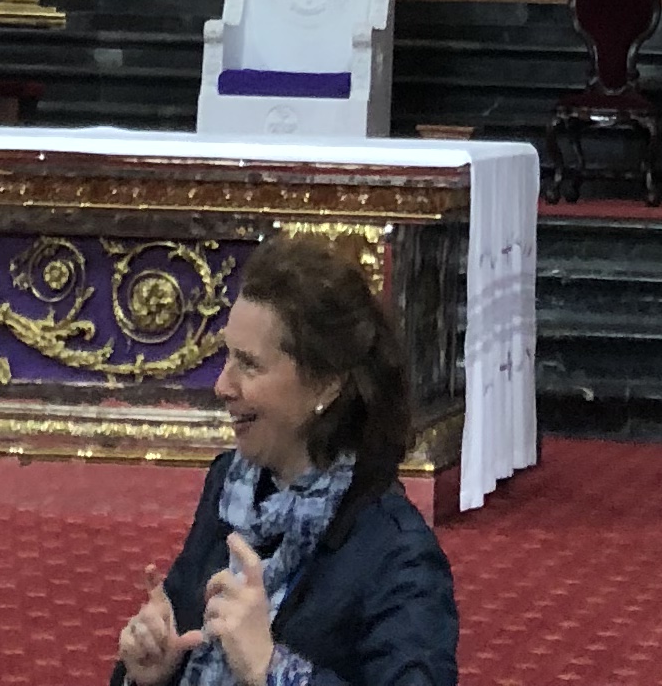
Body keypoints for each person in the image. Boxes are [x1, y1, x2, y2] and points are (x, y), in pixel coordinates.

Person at [113, 239, 457, 686]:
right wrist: (153, 672)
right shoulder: (231, 486)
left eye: (249, 365)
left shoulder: (397, 552)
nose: (222, 386)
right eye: (227, 356)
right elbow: (178, 625)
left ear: (326, 385)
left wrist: (272, 669)